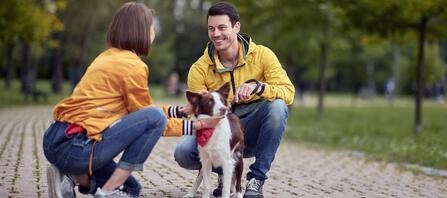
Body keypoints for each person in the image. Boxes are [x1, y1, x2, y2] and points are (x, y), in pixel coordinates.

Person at [43, 2, 222, 198]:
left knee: (131, 189)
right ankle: (106, 190)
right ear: (142, 30)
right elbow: (153, 121)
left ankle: (69, 177)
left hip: (56, 138)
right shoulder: (133, 66)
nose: (153, 31)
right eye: (151, 26)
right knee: (154, 118)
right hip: (77, 146)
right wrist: (199, 124)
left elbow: (139, 112)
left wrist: (178, 111)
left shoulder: (106, 57)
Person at [173, 2, 295, 198]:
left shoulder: (263, 55)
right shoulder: (199, 68)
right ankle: (223, 170)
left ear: (236, 27)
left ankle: (256, 179)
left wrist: (259, 87)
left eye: (222, 27)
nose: (216, 34)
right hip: (218, 127)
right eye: (211, 28)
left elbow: (288, 92)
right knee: (183, 152)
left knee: (278, 108)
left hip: (252, 128)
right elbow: (199, 113)